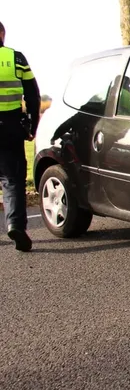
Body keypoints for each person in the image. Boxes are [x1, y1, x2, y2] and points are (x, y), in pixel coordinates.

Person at [0, 21, 41, 252]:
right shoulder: (16, 58)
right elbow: (33, 96)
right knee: (13, 179)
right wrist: (32, 126)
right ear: (2, 34)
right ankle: (15, 225)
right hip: (10, 127)